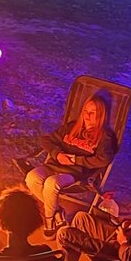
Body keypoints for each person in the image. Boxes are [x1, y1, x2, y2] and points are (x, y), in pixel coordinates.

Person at [23, 93, 118, 227]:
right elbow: (46, 140)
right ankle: (57, 212)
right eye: (85, 111)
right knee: (31, 177)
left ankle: (49, 221)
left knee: (51, 183)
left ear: (101, 115)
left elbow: (103, 160)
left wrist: (75, 160)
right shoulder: (72, 127)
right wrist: (57, 154)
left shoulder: (105, 136)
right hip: (54, 165)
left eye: (92, 112)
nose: (87, 115)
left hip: (74, 173)